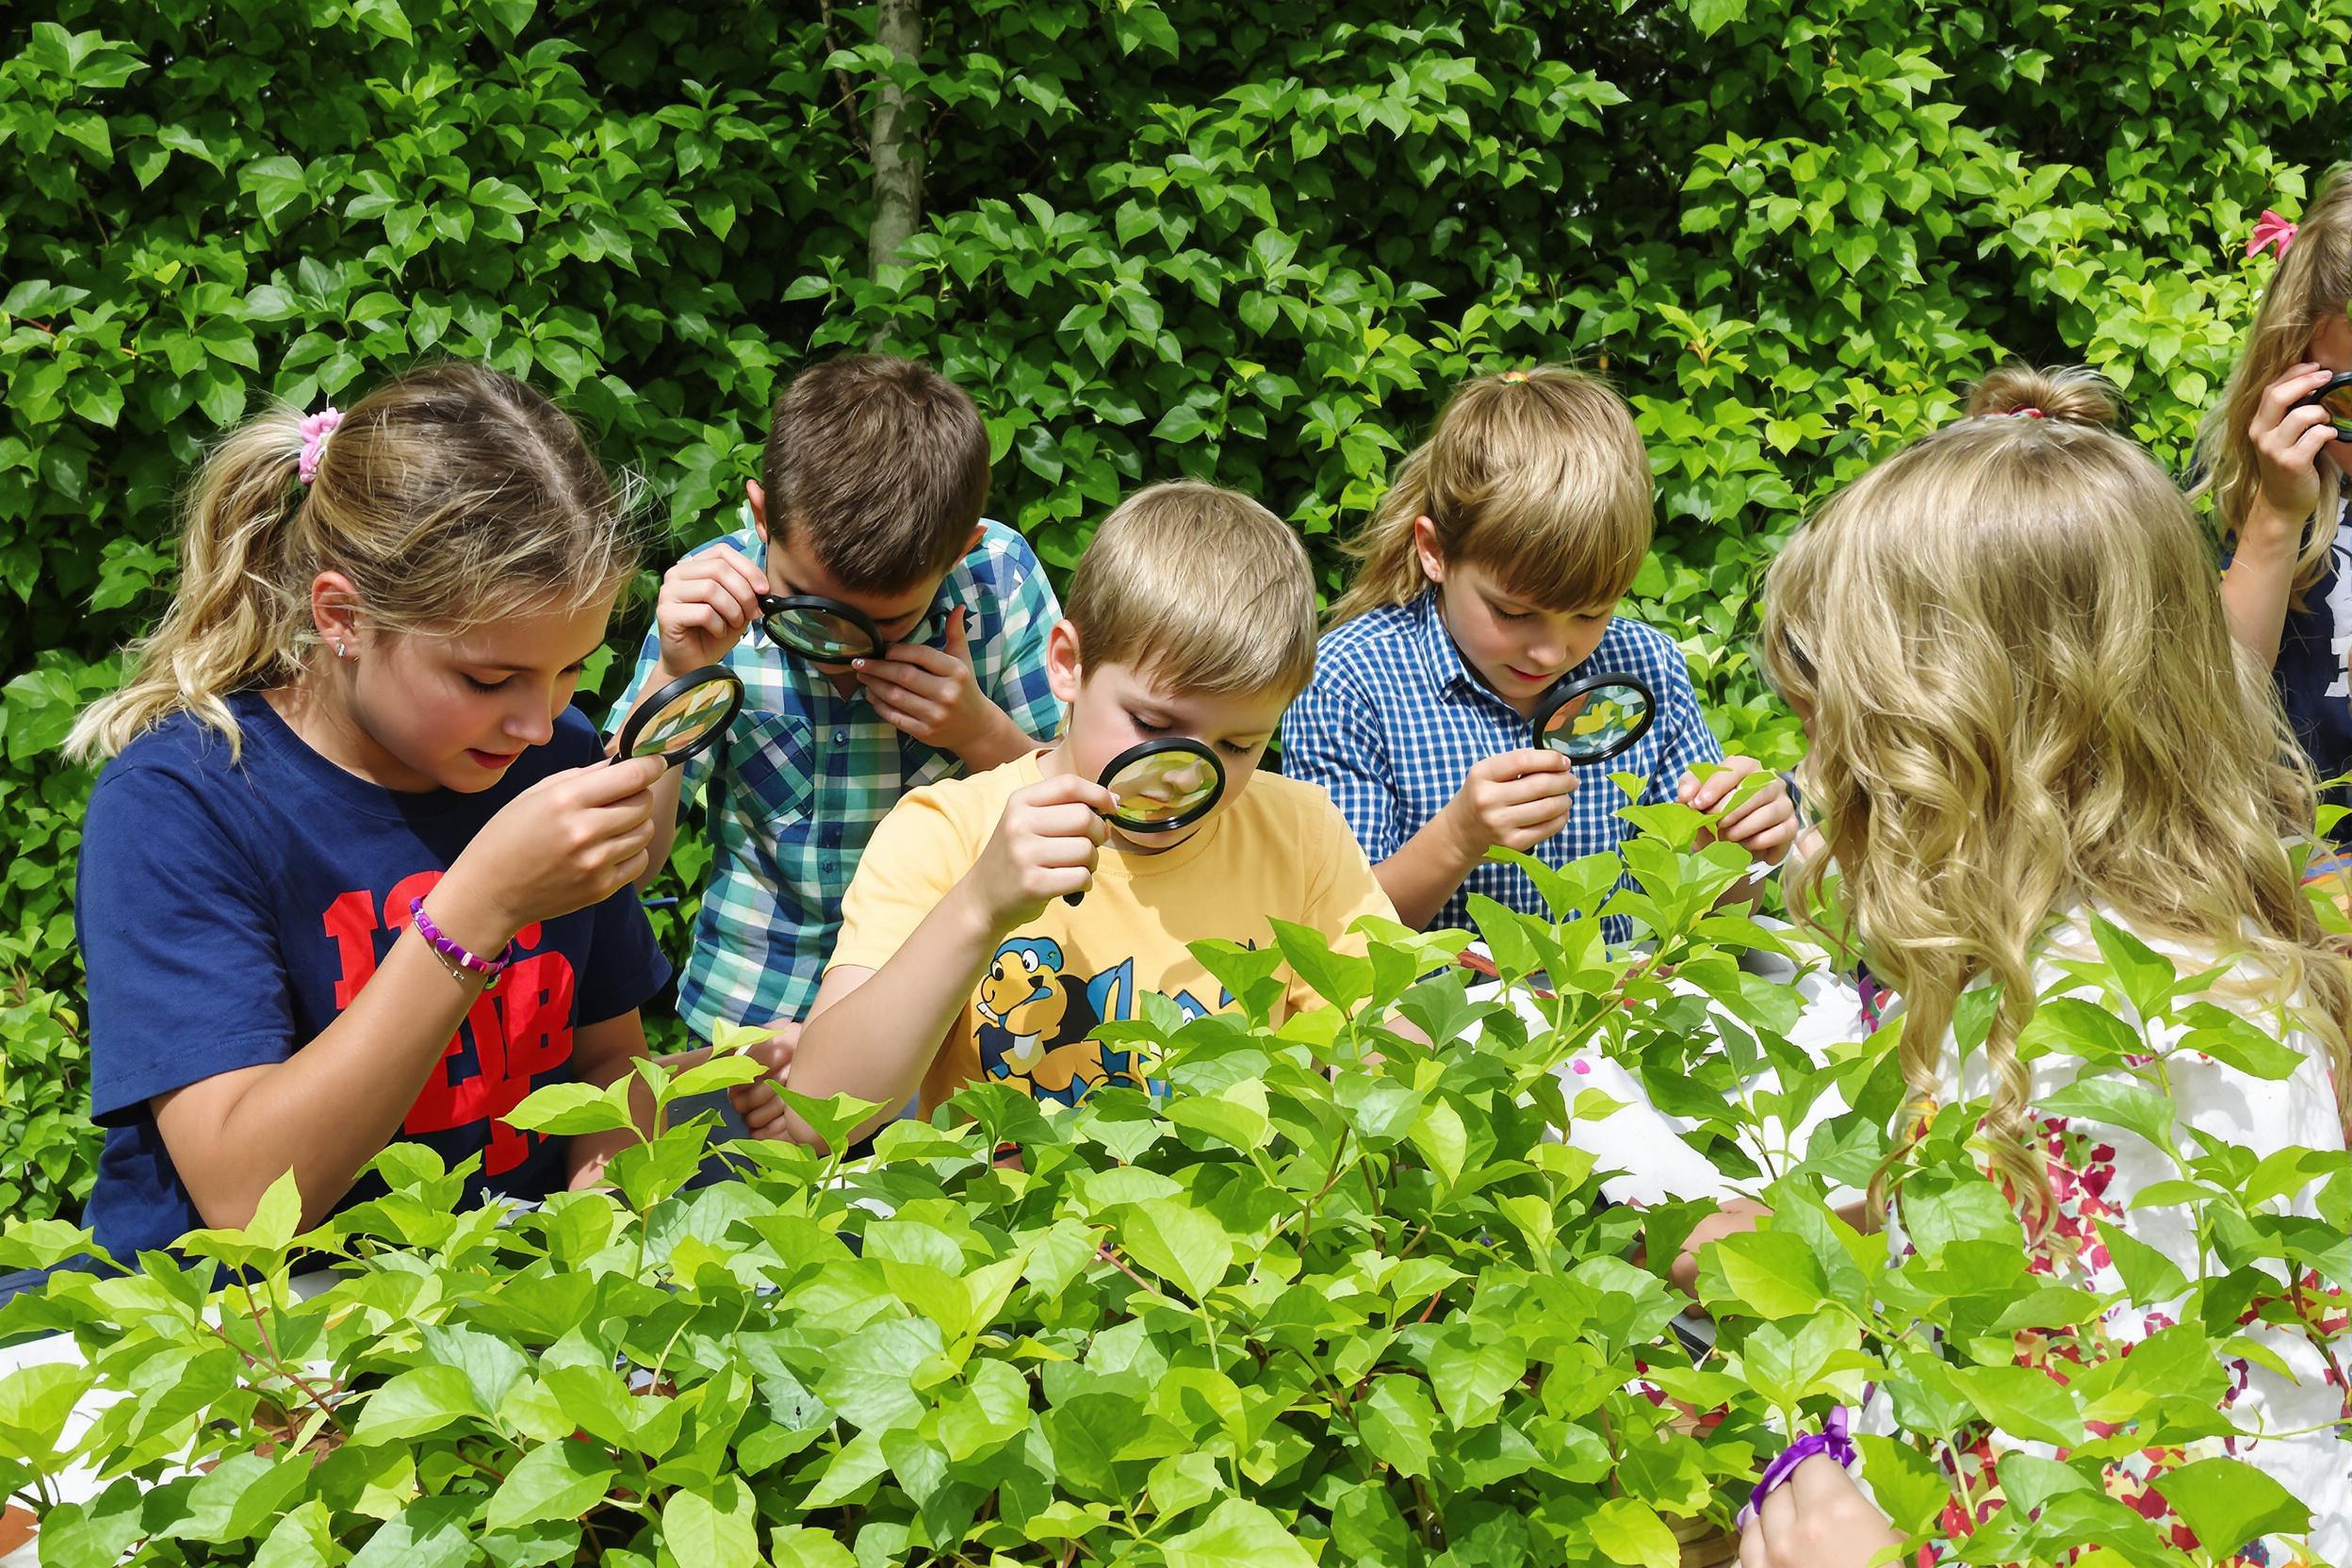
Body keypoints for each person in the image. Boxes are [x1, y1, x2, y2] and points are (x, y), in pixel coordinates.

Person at [1735, 365, 2352, 1566]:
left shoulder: (2100, 1024)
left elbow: (2125, 1490)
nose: (1820, 764)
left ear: (1962, 737)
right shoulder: (2122, 959)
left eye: (1844, 720)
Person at [68, 364, 670, 1257]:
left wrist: (609, 1180)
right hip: (248, 1331)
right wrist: (479, 907)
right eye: (488, 678)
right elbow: (246, 1200)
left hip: (502, 1304)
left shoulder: (554, 758)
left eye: (572, 667)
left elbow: (606, 1060)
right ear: (344, 617)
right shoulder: (180, 806)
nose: (539, 721)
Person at [732, 481, 1395, 1147]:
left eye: (1238, 744)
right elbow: (819, 1115)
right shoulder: (948, 831)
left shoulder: (1302, 834)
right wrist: (978, 908)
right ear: (1068, 664)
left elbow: (1391, 1069)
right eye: (1153, 723)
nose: (1184, 775)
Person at [609, 355, 1063, 1071]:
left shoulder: (997, 580)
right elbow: (620, 866)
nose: (836, 651)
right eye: (805, 611)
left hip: (956, 1026)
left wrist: (980, 735)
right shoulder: (709, 601)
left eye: (887, 624)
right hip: (748, 1028)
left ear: (961, 550)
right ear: (762, 517)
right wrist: (675, 675)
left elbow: (1072, 820)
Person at [1282, 367, 1793, 937]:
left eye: (1589, 613)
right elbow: (1335, 934)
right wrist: (1459, 837)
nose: (1551, 652)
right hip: (1426, 1024)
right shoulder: (1351, 679)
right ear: (1435, 552)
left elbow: (1713, 924)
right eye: (1514, 613)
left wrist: (1741, 848)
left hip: (1601, 1019)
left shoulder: (1650, 668)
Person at [2197, 171, 2352, 807]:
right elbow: (2209, 708)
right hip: (2311, 871)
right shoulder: (2240, 496)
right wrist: (2275, 520)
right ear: (2305, 347)